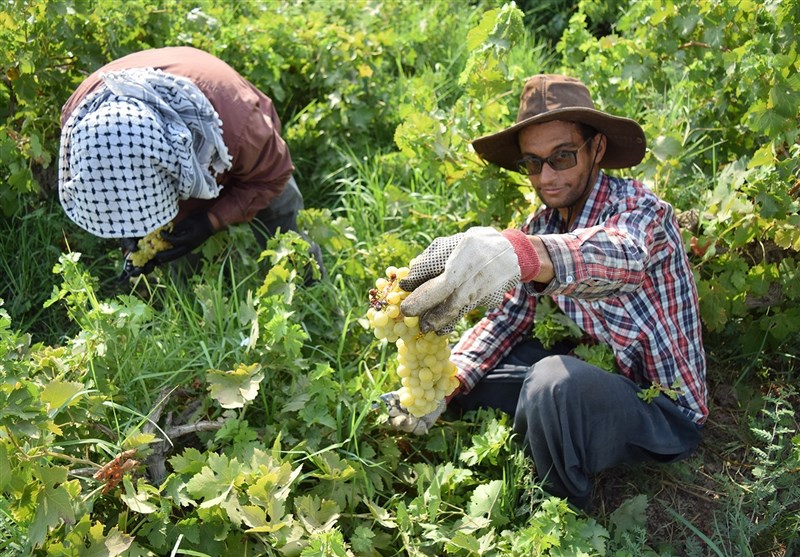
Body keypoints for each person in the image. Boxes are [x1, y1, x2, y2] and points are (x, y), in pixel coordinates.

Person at [383, 74, 708, 509]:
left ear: (597, 149)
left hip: (661, 406)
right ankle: (537, 425)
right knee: (477, 379)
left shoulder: (639, 210)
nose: (547, 176)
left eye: (562, 156)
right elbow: (510, 319)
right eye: (533, 164)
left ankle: (560, 508)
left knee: (552, 382)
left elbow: (621, 257)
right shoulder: (544, 224)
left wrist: (521, 254)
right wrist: (447, 382)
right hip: (598, 370)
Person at [58, 46, 323, 281]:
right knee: (181, 247)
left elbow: (271, 177)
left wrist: (210, 221)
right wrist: (133, 235)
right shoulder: (80, 122)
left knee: (283, 220)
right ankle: (194, 302)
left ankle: (309, 293)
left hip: (235, 138)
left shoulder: (238, 128)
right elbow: (119, 189)